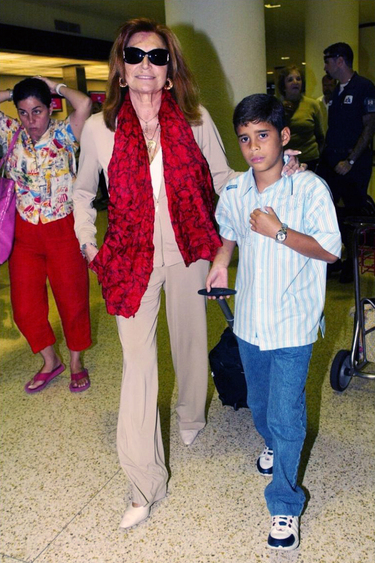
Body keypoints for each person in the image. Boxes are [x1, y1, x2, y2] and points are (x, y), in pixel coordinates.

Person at [73, 18, 303, 530]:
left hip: (187, 246)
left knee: (189, 339)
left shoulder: (195, 120)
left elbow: (226, 179)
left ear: (170, 68)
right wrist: (88, 242)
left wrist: (276, 169)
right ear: (121, 66)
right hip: (129, 256)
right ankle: (143, 482)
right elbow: (83, 191)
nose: (146, 67)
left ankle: (192, 416)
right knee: (137, 366)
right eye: (136, 56)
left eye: (157, 58)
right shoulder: (98, 128)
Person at [206, 94, 341, 551]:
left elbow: (331, 250)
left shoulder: (309, 189)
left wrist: (279, 232)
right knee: (261, 406)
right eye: (245, 139)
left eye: (263, 136)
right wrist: (222, 261)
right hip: (249, 322)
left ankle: (284, 506)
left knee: (286, 416)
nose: (254, 147)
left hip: (293, 324)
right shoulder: (236, 191)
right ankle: (271, 441)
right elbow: (227, 230)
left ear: (283, 137)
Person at [0, 77, 92, 393]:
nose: (31, 121)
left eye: (37, 111)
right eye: (23, 112)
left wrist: (56, 86)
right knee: (24, 307)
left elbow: (85, 104)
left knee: (73, 299)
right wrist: (12, 92)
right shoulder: (11, 132)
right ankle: (51, 361)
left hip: (62, 228)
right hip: (24, 231)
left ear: (50, 108)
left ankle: (77, 362)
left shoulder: (66, 134)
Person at [317, 42, 375, 283]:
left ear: (340, 60)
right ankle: (335, 259)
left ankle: (352, 263)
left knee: (352, 211)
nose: (325, 65)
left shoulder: (364, 87)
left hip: (354, 162)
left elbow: (369, 126)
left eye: (328, 60)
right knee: (329, 212)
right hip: (332, 159)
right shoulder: (337, 91)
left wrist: (350, 160)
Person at [278, 65, 325, 171]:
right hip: (285, 160)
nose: (295, 82)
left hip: (310, 160)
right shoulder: (276, 106)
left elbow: (320, 136)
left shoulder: (312, 104)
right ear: (283, 86)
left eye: (298, 79)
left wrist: (320, 158)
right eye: (290, 80)